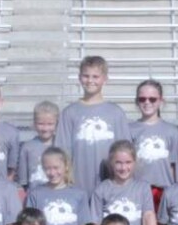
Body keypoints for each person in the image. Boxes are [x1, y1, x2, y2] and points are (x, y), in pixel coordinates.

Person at [55, 56, 130, 197]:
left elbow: (125, 151)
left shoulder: (116, 113)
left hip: (110, 186)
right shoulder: (69, 112)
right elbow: (62, 152)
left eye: (95, 76)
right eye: (86, 76)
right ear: (79, 77)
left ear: (104, 79)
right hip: (78, 186)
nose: (90, 81)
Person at [129, 79, 178, 211]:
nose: (147, 102)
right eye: (142, 99)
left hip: (164, 190)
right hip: (138, 190)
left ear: (161, 101)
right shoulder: (129, 129)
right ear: (137, 101)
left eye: (152, 99)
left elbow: (174, 166)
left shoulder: (171, 131)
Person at [18, 101, 59, 191]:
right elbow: (23, 182)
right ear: (34, 123)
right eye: (41, 124)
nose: (45, 128)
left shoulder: (62, 146)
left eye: (50, 124)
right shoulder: (27, 148)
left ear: (57, 124)